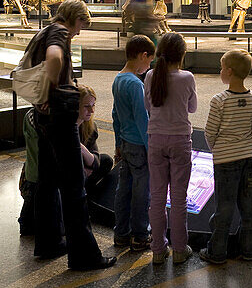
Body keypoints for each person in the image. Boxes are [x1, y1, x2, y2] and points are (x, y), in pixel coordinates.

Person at [26, 0, 115, 271]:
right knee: (74, 187)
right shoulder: (59, 33)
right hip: (60, 115)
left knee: (48, 178)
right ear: (73, 18)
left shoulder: (43, 30)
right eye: (81, 26)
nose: (78, 32)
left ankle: (49, 241)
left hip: (45, 116)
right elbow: (54, 57)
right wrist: (52, 89)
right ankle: (84, 256)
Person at [200, 49, 252, 264]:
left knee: (224, 207)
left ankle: (217, 252)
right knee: (249, 207)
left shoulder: (219, 100)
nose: (220, 71)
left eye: (220, 67)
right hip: (250, 158)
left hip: (225, 161)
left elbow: (210, 131)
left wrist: (216, 149)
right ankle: (250, 250)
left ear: (228, 71)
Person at [144, 32, 198, 265]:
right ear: (182, 54)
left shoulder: (149, 76)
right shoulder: (186, 77)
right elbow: (193, 108)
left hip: (155, 139)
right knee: (178, 198)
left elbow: (148, 105)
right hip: (179, 141)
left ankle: (157, 250)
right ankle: (179, 249)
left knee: (156, 197)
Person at [112, 34, 155, 251]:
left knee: (123, 190)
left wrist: (118, 143)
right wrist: (151, 149)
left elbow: (115, 115)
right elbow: (142, 119)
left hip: (126, 145)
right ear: (142, 55)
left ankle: (121, 233)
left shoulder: (118, 79)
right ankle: (140, 235)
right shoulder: (135, 85)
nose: (148, 66)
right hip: (139, 146)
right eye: (149, 61)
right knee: (141, 192)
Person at [77, 85, 115, 203]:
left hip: (85, 168)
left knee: (106, 160)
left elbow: (96, 161)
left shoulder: (90, 127)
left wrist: (82, 148)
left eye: (93, 105)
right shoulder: (65, 128)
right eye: (86, 106)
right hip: (66, 176)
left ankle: (88, 197)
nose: (92, 111)